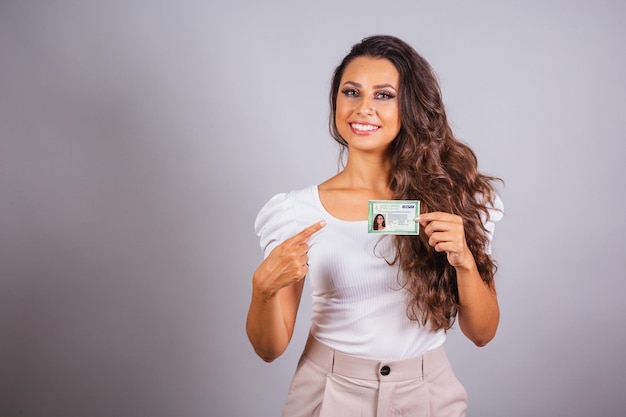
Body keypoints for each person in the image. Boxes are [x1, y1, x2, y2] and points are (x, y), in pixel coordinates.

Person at [246, 34, 503, 417]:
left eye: (383, 95)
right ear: (336, 101)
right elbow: (270, 349)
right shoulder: (295, 212)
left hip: (428, 394)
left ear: (411, 106)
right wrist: (263, 289)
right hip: (329, 392)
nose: (363, 108)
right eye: (352, 92)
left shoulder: (458, 198)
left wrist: (463, 259)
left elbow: (482, 333)